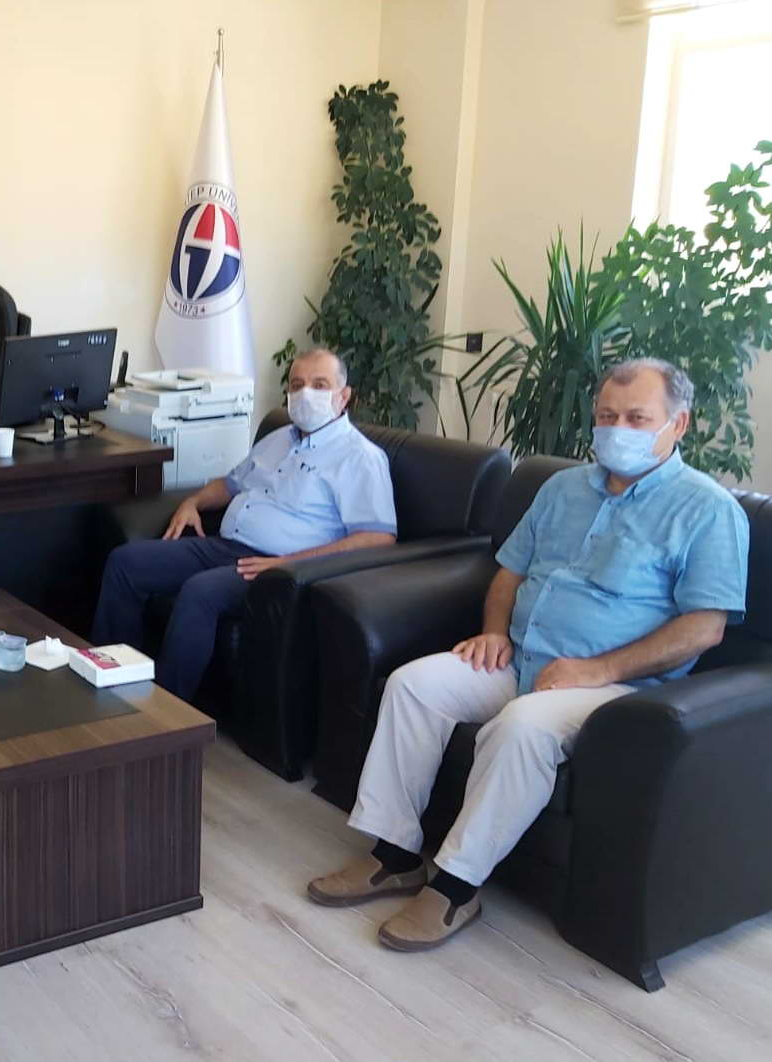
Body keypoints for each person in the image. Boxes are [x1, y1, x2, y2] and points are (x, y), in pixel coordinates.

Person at [309, 359, 749, 952]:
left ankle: (456, 888)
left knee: (521, 728)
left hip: (616, 689)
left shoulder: (707, 510)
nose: (617, 429)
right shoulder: (562, 488)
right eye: (607, 416)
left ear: (679, 424)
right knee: (412, 685)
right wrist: (495, 632)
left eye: (637, 418)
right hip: (522, 659)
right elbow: (508, 574)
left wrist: (597, 670)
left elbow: (704, 628)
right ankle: (394, 854)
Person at [90, 347, 397, 700]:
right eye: (297, 385)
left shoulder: (360, 457)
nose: (305, 394)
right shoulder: (278, 438)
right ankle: (112, 686)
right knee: (126, 562)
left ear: (343, 396)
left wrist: (288, 563)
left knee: (200, 593)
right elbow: (230, 484)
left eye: (319, 385)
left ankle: (165, 716)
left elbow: (378, 537)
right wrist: (193, 502)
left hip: (279, 569)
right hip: (225, 546)